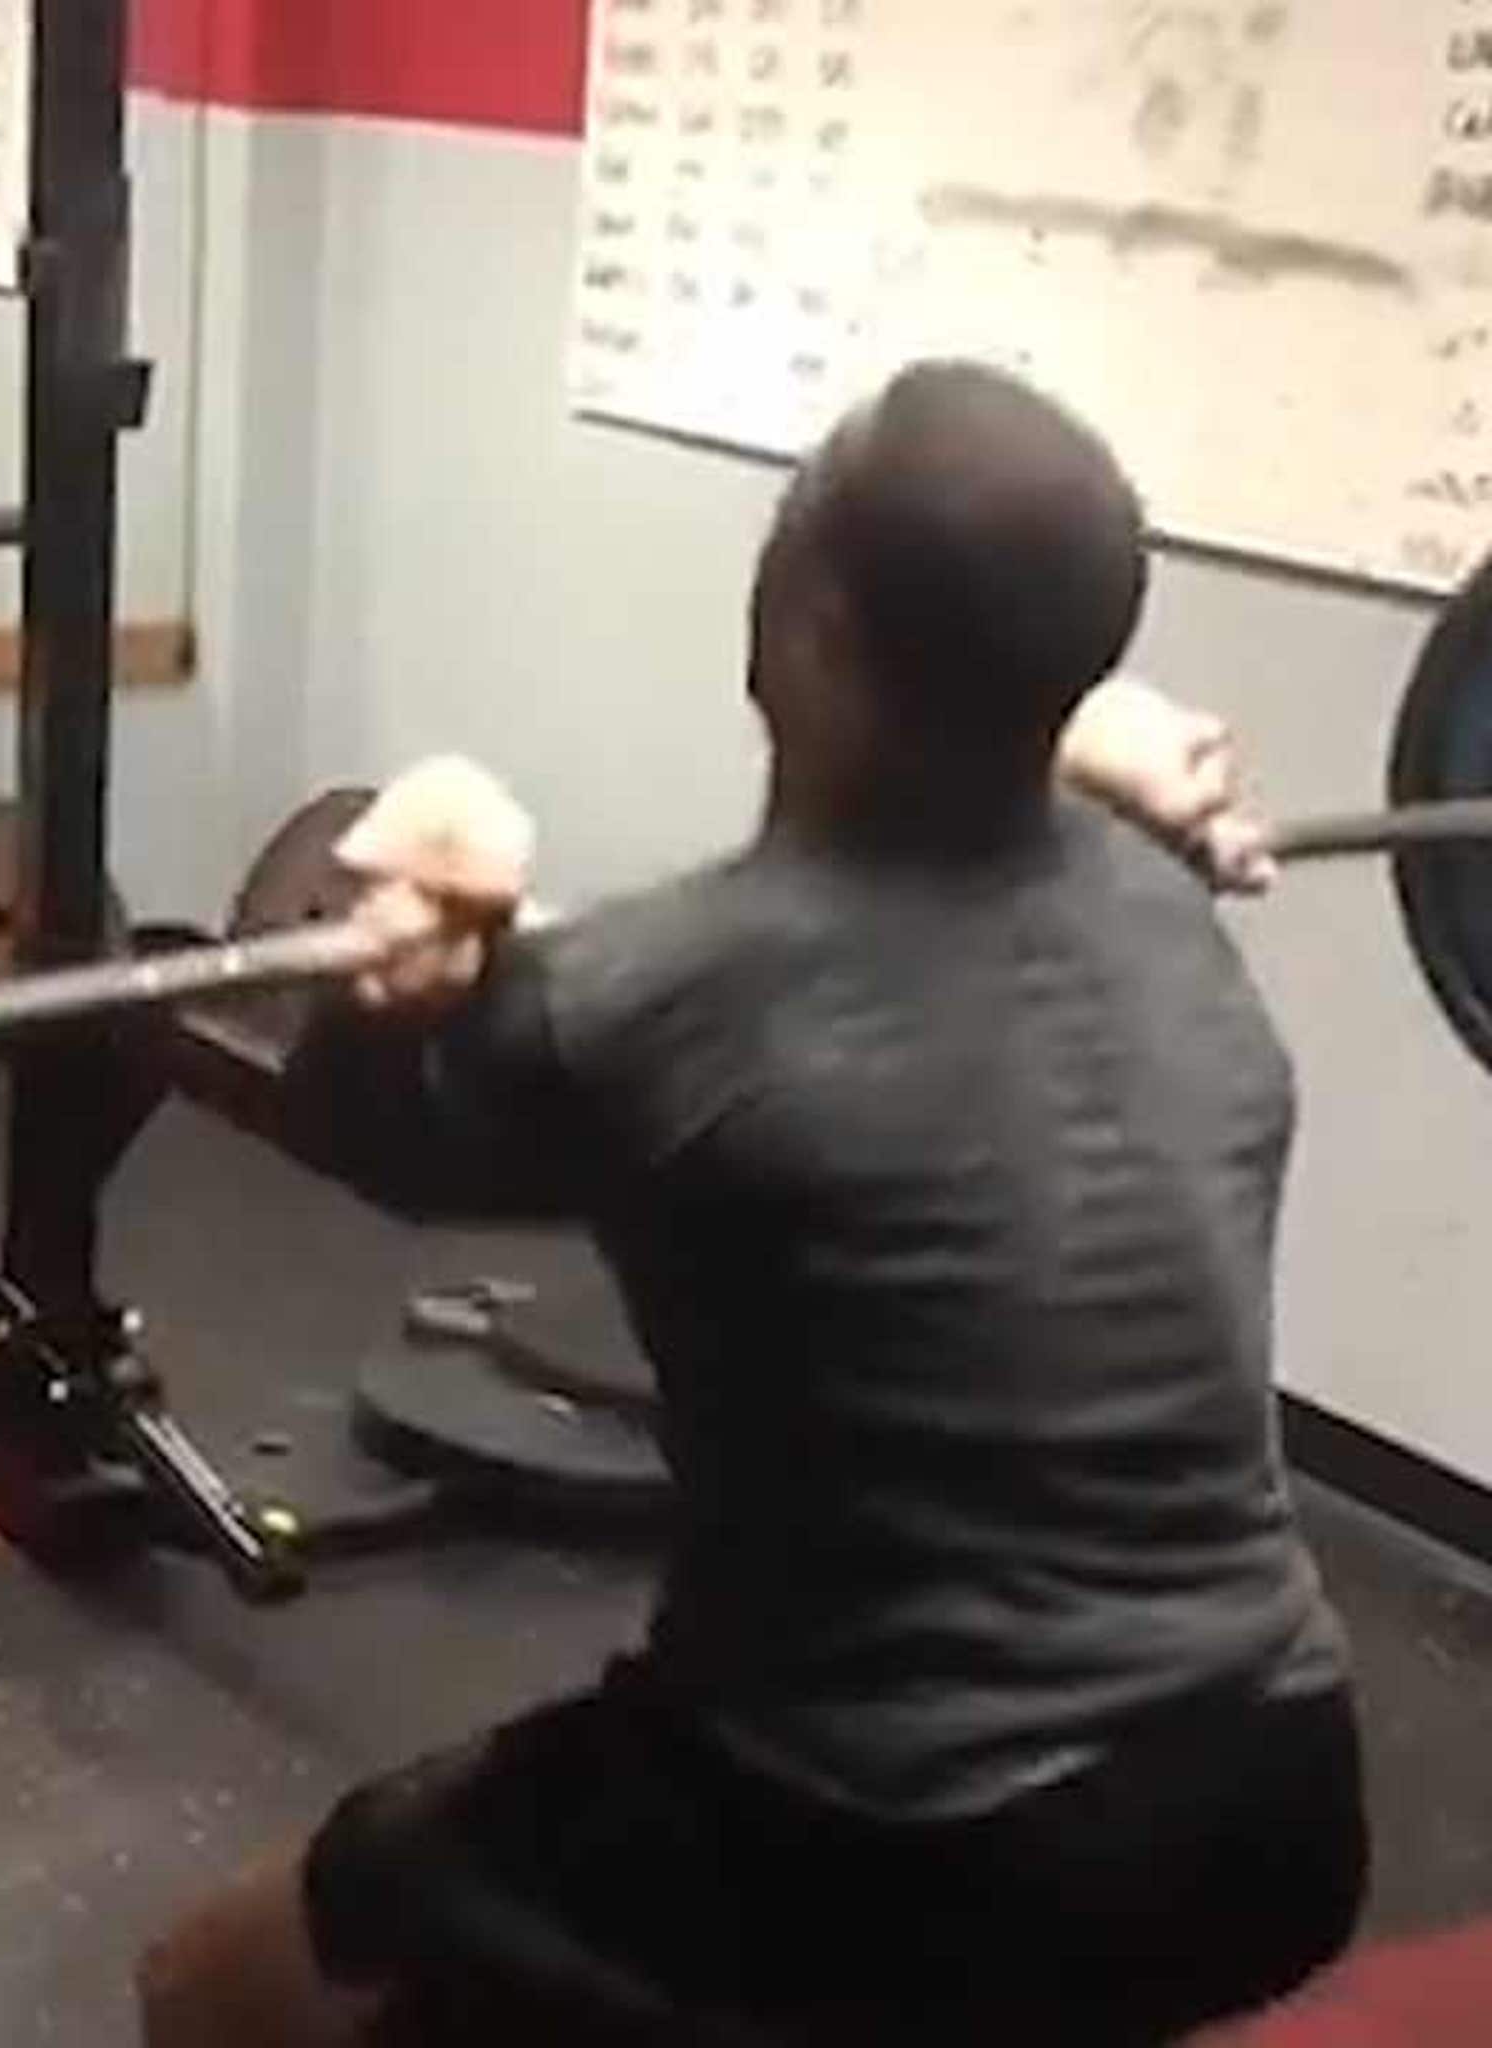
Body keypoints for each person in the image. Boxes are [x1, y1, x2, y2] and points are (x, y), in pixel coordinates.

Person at [139, 362, 1367, 2047]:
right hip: (1281, 1802)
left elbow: (361, 1135)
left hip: (890, 1826)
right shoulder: (1175, 914)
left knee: (218, 1987)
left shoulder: (648, 1000)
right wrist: (1082, 726)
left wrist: (386, 961)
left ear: (810, 630)